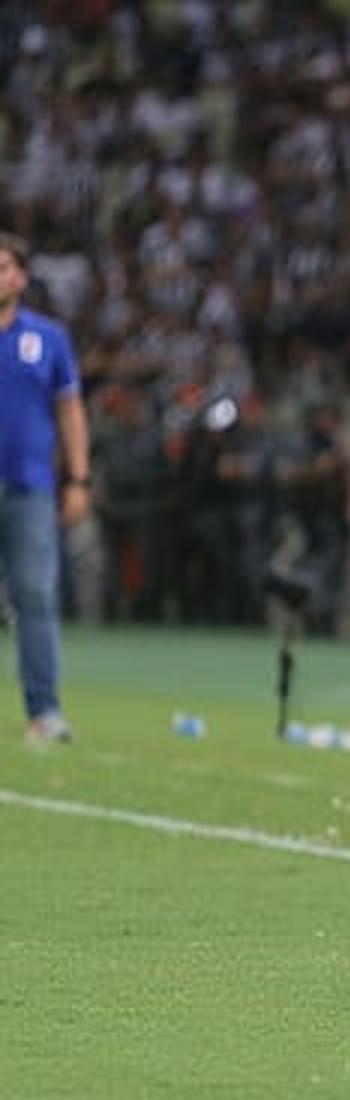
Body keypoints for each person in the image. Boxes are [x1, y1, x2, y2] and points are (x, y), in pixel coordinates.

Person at [0, 232, 90, 743]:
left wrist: (78, 476)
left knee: (34, 595)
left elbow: (69, 408)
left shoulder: (48, 338)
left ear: (21, 276)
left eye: (5, 266)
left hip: (30, 486)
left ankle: (44, 711)